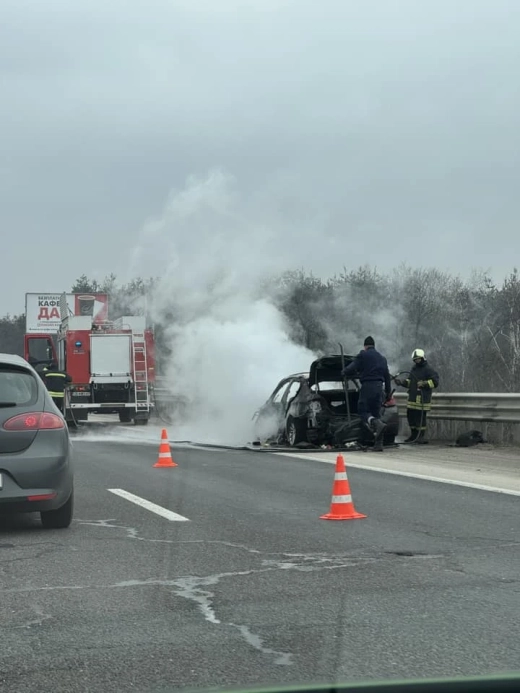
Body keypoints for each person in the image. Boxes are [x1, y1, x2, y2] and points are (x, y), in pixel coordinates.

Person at [342, 336, 392, 451]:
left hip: (368, 386)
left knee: (363, 410)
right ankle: (378, 444)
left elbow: (352, 367)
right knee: (376, 413)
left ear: (365, 346)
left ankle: (376, 424)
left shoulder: (363, 355)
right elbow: (387, 377)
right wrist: (388, 392)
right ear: (374, 345)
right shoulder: (382, 358)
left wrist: (344, 372)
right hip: (380, 387)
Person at [395, 349, 439, 444]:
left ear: (423, 358)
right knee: (411, 417)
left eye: (418, 359)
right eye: (415, 360)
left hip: (422, 399)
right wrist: (402, 382)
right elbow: (410, 382)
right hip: (412, 399)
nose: (416, 361)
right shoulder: (414, 369)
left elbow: (435, 382)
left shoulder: (428, 369)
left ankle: (420, 437)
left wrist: (425, 383)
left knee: (420, 419)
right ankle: (413, 436)